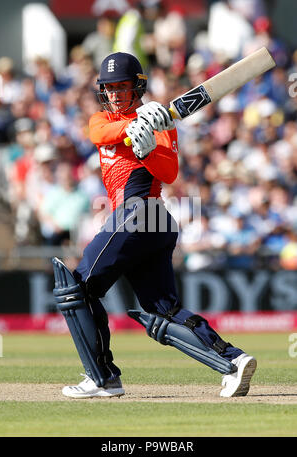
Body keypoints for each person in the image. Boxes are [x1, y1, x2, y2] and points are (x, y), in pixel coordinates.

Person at [52, 52, 257, 399]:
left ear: (138, 86)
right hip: (148, 222)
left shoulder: (162, 122)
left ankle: (102, 377)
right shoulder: (103, 119)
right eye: (110, 87)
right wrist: (133, 126)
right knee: (163, 309)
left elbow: (169, 173)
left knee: (78, 289)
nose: (116, 93)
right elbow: (98, 133)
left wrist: (148, 150)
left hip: (142, 212)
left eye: (123, 86)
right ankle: (233, 361)